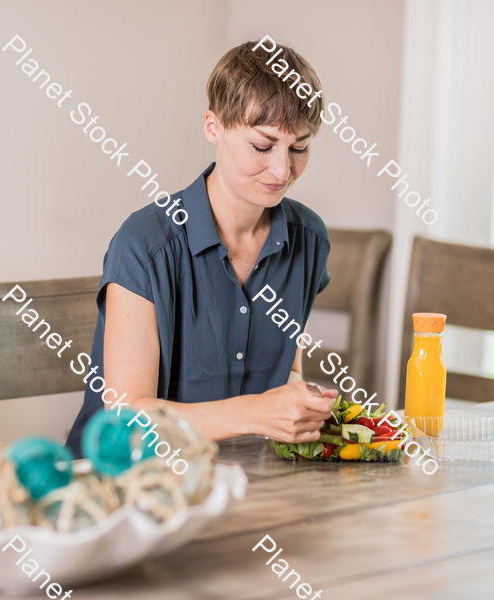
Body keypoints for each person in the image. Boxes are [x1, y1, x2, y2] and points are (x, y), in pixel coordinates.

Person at [65, 39, 336, 454]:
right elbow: (126, 415)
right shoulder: (145, 245)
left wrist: (299, 403)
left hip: (242, 483)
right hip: (123, 484)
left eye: (299, 147)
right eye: (262, 146)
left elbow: (288, 370)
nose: (283, 170)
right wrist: (256, 412)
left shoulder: (308, 239)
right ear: (214, 127)